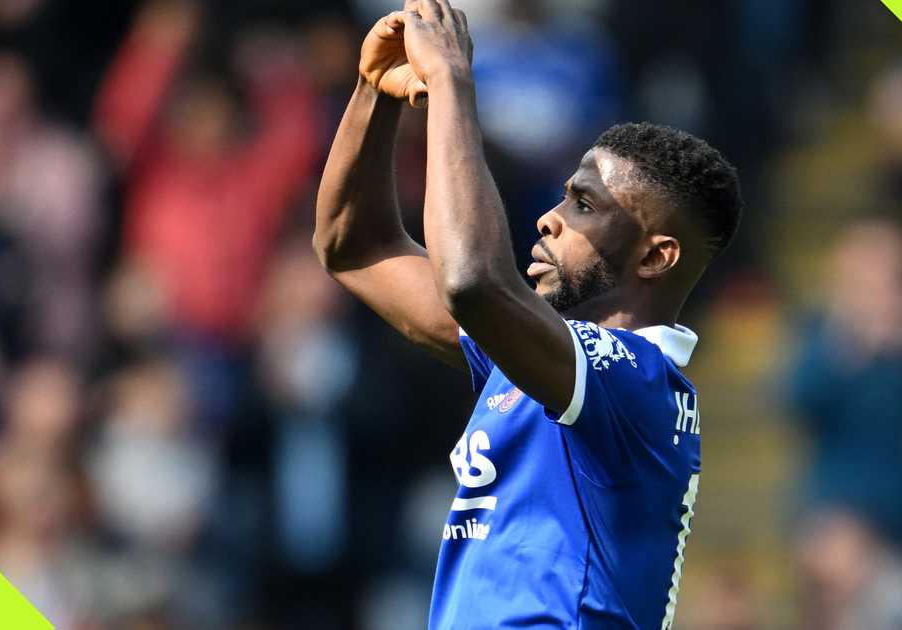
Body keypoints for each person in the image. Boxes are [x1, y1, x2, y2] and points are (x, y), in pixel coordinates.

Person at [313, 1, 742, 628]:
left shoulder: (636, 382)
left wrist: (452, 84)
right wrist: (375, 91)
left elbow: (471, 280)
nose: (549, 217)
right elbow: (355, 248)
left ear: (655, 257)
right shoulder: (541, 362)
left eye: (585, 206)